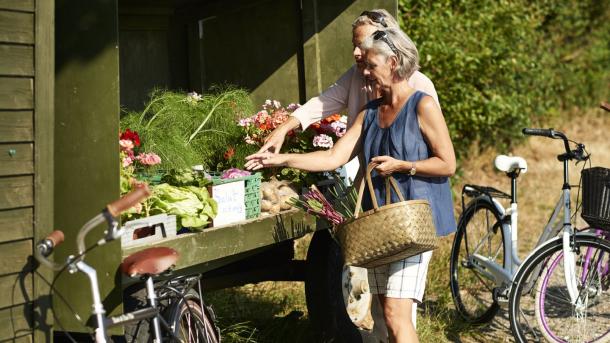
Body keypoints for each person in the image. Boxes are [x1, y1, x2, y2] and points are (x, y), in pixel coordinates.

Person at [246, 28, 457, 343]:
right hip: (377, 226)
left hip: (412, 223)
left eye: (372, 65)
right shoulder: (369, 113)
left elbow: (448, 164)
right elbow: (333, 157)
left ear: (394, 62)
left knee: (396, 315)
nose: (365, 72)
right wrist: (281, 160)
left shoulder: (422, 105)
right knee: (383, 316)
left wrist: (404, 166)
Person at [258, 9, 439, 157]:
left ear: (388, 46)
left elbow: (441, 157)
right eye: (354, 45)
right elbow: (321, 105)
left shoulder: (421, 87)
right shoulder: (355, 77)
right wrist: (283, 129)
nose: (356, 53)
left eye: (363, 46)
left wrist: (409, 168)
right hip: (371, 183)